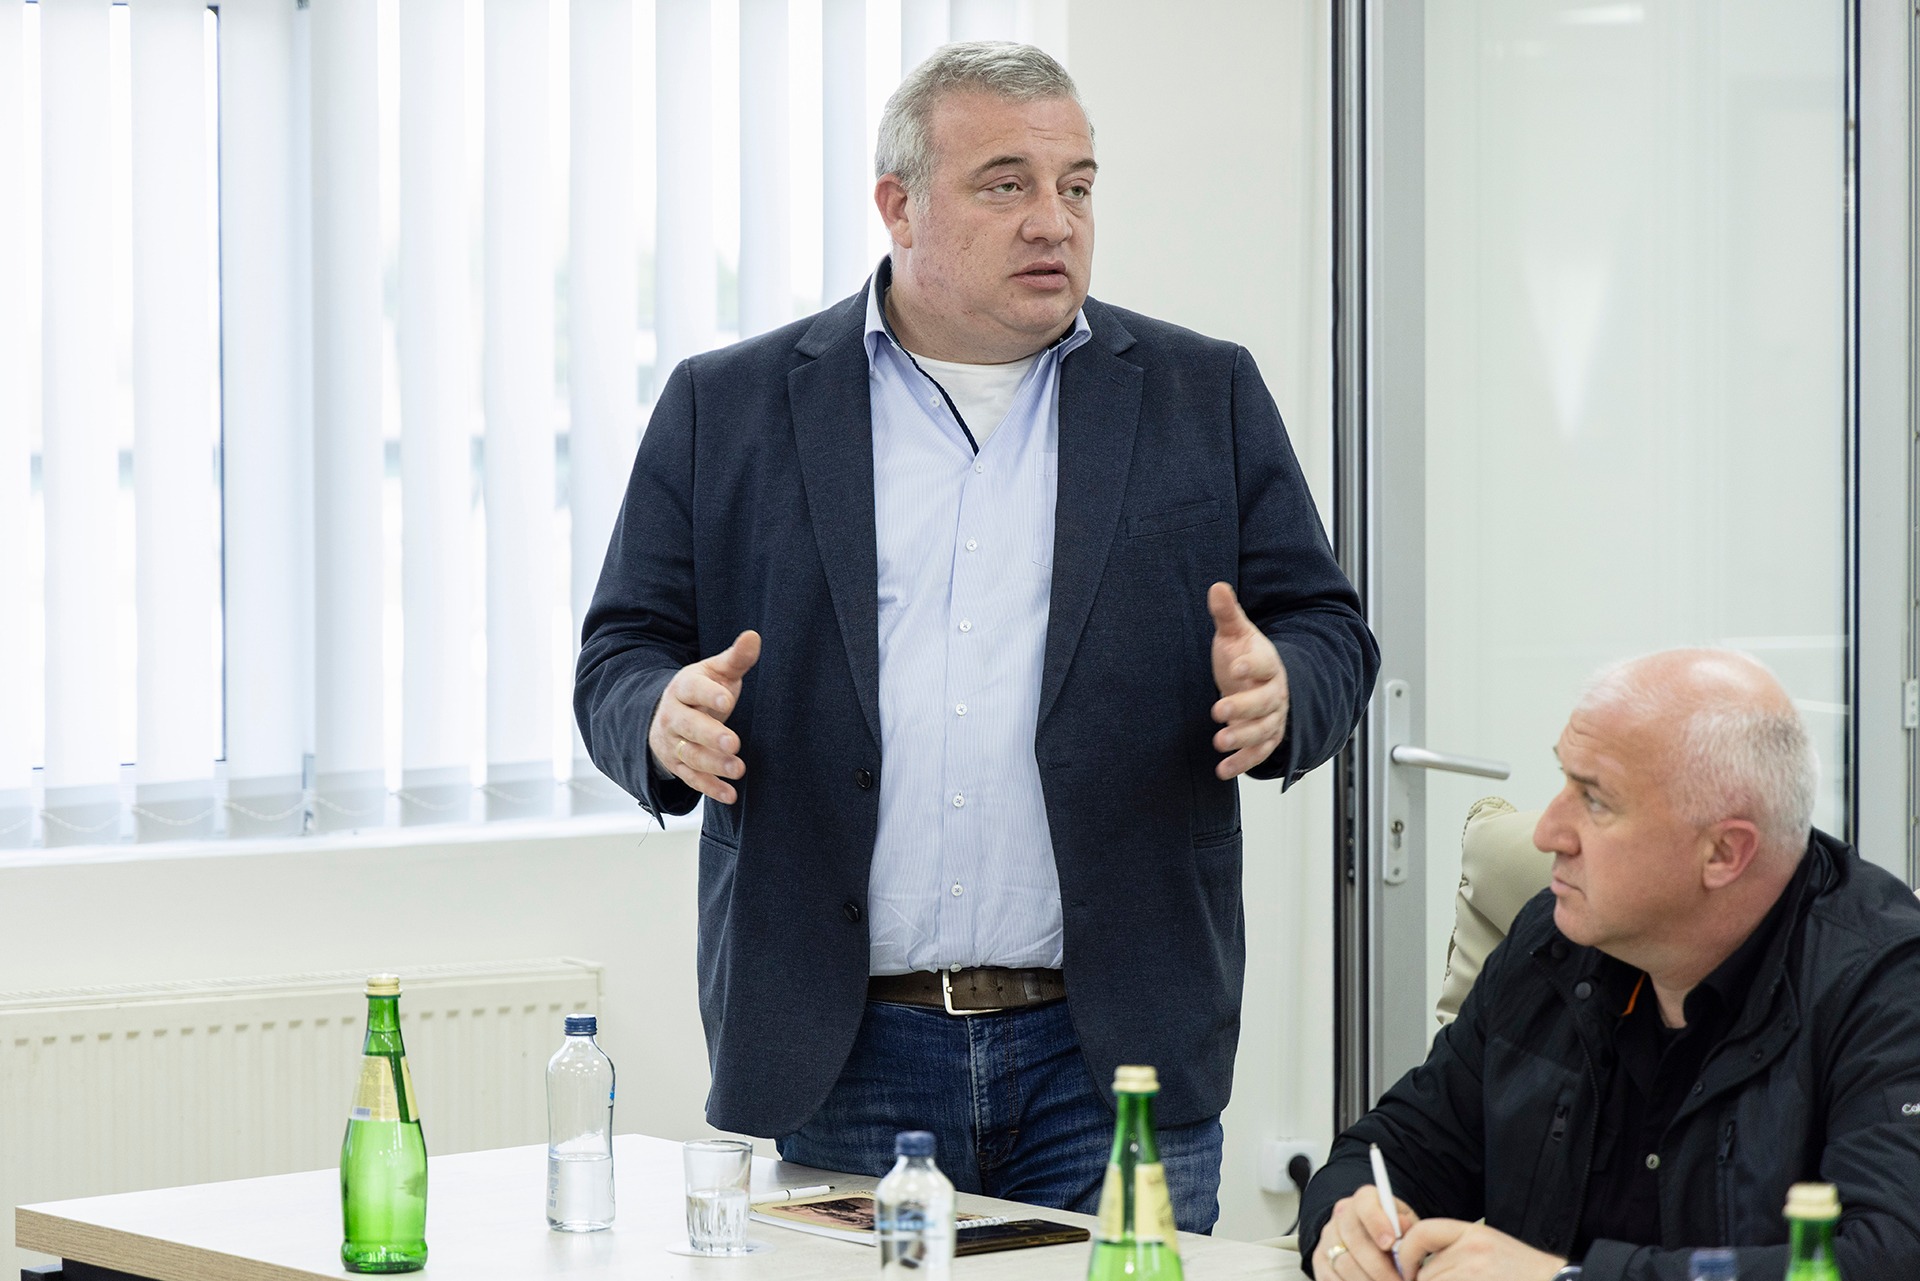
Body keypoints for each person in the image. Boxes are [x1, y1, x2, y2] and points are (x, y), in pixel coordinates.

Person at [575, 41, 1376, 1231]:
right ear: (899, 205)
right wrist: (658, 717)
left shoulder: (1199, 394)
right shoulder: (730, 404)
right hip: (844, 1046)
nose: (1054, 219)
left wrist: (1285, 691)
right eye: (1007, 184)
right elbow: (620, 651)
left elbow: (1327, 629)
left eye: (1077, 185)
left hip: (1113, 1051)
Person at [1299, 649, 1920, 1281]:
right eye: (1564, 781)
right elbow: (1400, 1144)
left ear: (1723, 853)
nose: (1547, 832)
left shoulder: (1888, 988)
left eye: (1594, 800)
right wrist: (1349, 1222)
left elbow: (1888, 1256)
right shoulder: (1555, 939)